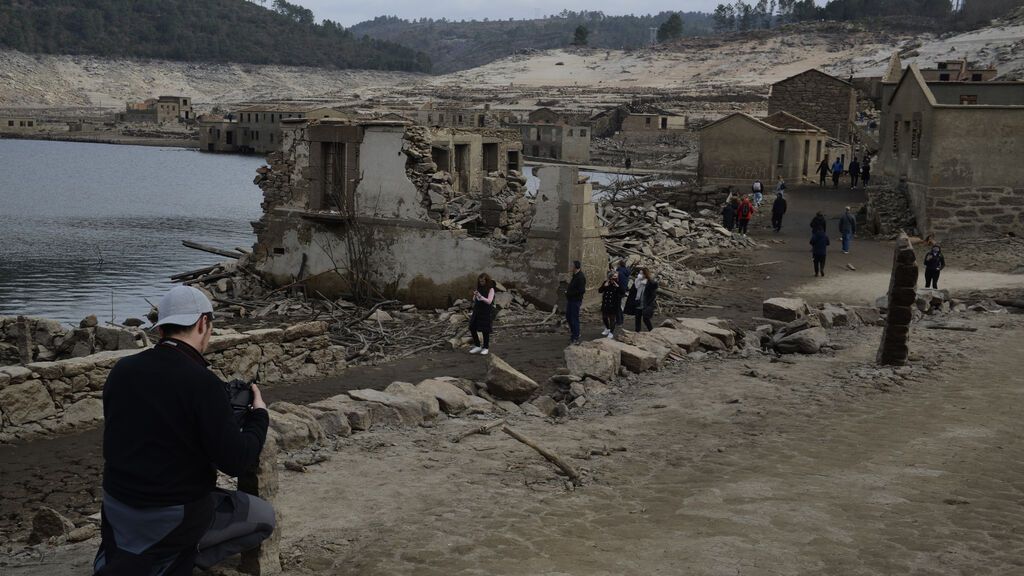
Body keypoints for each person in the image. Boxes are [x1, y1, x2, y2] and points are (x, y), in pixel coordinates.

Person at [95, 286, 273, 575]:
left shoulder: (121, 371)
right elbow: (235, 460)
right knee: (264, 517)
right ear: (203, 323)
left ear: (161, 327)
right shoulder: (203, 384)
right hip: (173, 515)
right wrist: (259, 416)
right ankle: (177, 560)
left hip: (119, 509)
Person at [468, 273, 495, 355]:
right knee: (472, 327)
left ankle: (485, 347)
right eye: (480, 281)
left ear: (487, 281)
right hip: (477, 310)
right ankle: (477, 346)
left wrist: (480, 297)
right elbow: (475, 300)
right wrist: (475, 295)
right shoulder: (479, 288)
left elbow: (489, 301)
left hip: (486, 311)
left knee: (485, 329)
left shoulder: (491, 289)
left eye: (483, 281)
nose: (481, 283)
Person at [625, 268, 658, 332]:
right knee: (637, 318)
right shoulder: (637, 282)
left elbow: (655, 287)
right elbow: (632, 292)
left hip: (646, 303)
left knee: (646, 319)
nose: (640, 275)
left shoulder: (649, 283)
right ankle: (637, 331)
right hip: (638, 303)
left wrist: (653, 280)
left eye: (642, 273)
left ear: (645, 274)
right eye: (639, 273)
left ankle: (651, 331)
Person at [565, 260, 586, 345]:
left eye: (572, 266)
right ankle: (574, 333)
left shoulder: (581, 277)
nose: (570, 267)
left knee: (574, 318)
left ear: (576, 267)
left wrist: (569, 293)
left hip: (575, 300)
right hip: (571, 300)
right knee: (568, 317)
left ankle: (576, 336)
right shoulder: (575, 275)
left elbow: (581, 291)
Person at [598, 271, 624, 339]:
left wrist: (618, 287)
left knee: (612, 319)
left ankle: (611, 332)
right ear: (610, 277)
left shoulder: (618, 283)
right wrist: (604, 286)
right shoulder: (606, 282)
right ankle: (607, 328)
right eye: (614, 276)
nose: (615, 277)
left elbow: (623, 292)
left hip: (614, 304)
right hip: (606, 304)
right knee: (604, 317)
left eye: (616, 276)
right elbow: (600, 291)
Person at [615, 260, 630, 327]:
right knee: (620, 306)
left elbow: (619, 282)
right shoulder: (626, 271)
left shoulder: (619, 272)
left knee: (618, 307)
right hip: (623, 291)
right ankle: (620, 320)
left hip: (619, 291)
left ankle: (619, 321)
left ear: (619, 265)